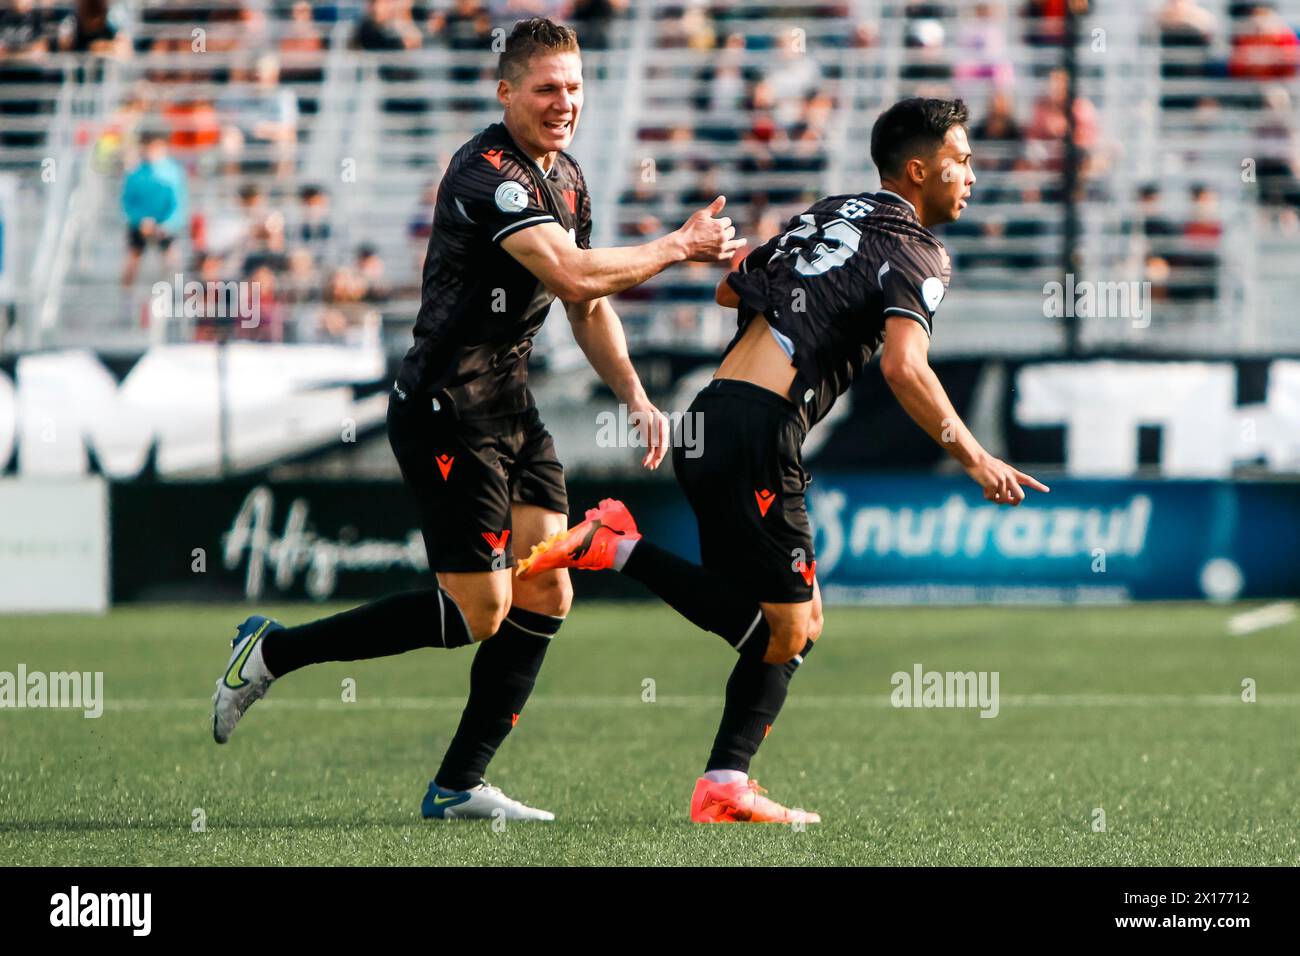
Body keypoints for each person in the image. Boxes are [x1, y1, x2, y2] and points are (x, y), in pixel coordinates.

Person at [209, 17, 743, 822]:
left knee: (548, 590)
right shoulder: (487, 173)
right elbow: (567, 265)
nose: (563, 102)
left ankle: (459, 784)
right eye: (546, 89)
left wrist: (634, 396)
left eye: (574, 88)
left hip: (510, 406)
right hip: (444, 411)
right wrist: (677, 245)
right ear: (507, 92)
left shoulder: (567, 178)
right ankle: (273, 651)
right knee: (480, 611)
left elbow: (583, 298)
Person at [518, 97, 1049, 824]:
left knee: (785, 627)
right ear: (919, 170)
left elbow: (729, 285)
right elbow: (904, 367)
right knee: (788, 631)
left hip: (710, 418)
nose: (972, 177)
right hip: (759, 432)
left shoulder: (828, 212)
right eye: (961, 161)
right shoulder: (922, 250)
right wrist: (976, 455)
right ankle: (615, 552)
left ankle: (724, 781)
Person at [121, 132, 188, 286]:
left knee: (172, 261)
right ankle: (126, 302)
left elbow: (178, 202)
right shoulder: (136, 173)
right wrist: (140, 220)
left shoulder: (173, 172)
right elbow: (127, 202)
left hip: (165, 225)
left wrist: (166, 224)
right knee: (131, 262)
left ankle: (174, 298)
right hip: (140, 224)